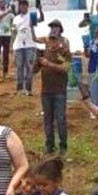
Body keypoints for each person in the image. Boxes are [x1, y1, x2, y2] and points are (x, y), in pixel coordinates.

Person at [36, 20, 71, 156]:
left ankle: (63, 146)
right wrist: (37, 61)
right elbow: (34, 70)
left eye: (55, 39)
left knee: (61, 119)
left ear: (59, 40)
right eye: (51, 39)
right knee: (48, 119)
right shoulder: (44, 52)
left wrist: (48, 64)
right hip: (46, 91)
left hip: (59, 90)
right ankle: (49, 145)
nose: (53, 42)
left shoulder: (64, 53)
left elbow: (65, 68)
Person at [13, 0, 39, 96]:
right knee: (19, 67)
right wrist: (13, 45)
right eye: (21, 5)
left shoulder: (32, 16)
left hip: (30, 45)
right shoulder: (16, 18)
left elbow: (41, 19)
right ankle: (19, 89)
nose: (23, 7)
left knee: (29, 67)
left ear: (27, 6)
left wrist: (40, 10)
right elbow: (13, 32)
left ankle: (28, 89)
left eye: (25, 5)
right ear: (19, 7)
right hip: (19, 45)